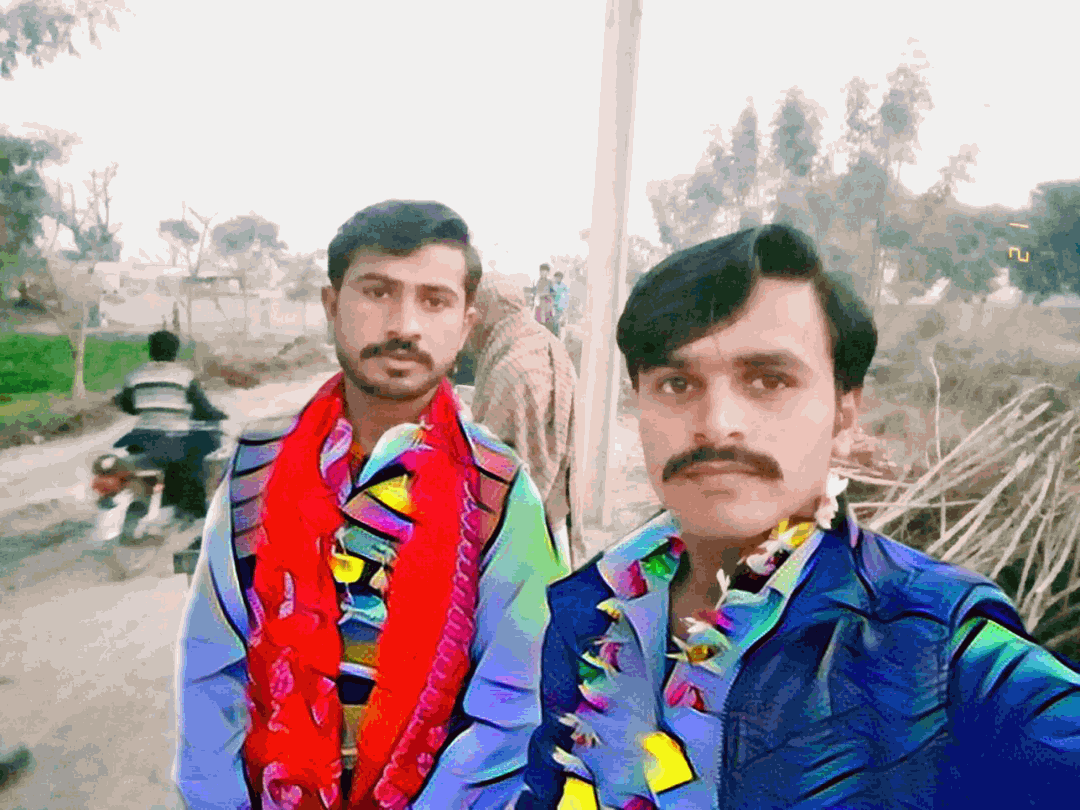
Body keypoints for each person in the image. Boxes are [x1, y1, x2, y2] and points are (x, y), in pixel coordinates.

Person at [518, 224, 1080, 808]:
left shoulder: (931, 646)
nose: (717, 424)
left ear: (844, 412)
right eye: (677, 383)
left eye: (768, 380)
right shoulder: (589, 611)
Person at [173, 200, 569, 810]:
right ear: (332, 306)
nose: (403, 325)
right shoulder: (258, 466)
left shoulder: (497, 491)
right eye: (378, 292)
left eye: (434, 300)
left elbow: (513, 710)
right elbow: (213, 670)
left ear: (466, 324)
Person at [470, 272, 577, 565]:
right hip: (556, 495)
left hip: (517, 523)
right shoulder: (544, 342)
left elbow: (491, 460)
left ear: (489, 311)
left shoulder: (512, 368)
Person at [113, 329, 227, 521]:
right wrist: (217, 414)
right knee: (197, 461)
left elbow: (129, 406)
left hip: (140, 441)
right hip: (175, 441)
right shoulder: (184, 375)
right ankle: (193, 510)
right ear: (175, 351)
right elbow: (202, 407)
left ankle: (142, 503)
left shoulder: (135, 375)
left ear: (151, 350)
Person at [534, 263, 555, 332]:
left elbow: (553, 293)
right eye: (542, 271)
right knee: (539, 318)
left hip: (547, 302)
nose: (543, 273)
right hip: (540, 302)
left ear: (548, 273)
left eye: (545, 272)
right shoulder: (538, 281)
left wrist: (550, 297)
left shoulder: (549, 282)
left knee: (548, 319)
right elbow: (536, 292)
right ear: (540, 272)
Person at [550, 271, 569, 338]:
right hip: (553, 306)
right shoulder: (553, 286)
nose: (557, 279)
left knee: (557, 321)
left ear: (561, 278)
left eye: (559, 277)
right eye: (556, 277)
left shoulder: (564, 287)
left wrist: (564, 308)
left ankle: (557, 335)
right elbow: (551, 295)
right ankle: (554, 335)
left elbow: (565, 297)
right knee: (553, 321)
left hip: (560, 307)